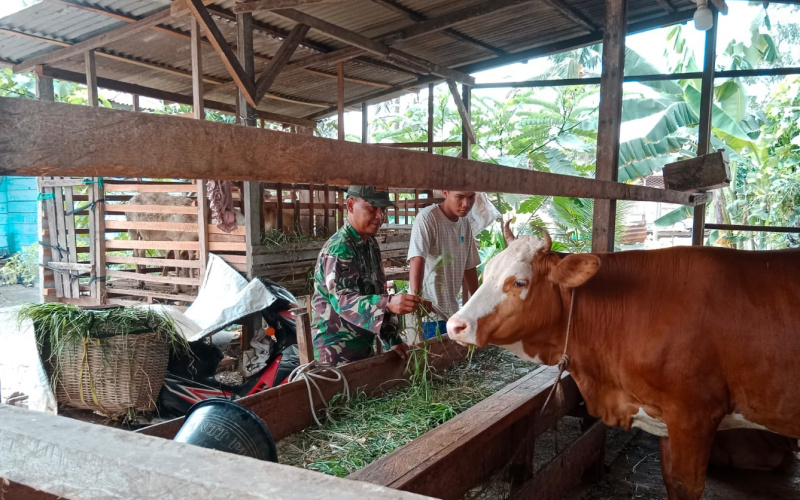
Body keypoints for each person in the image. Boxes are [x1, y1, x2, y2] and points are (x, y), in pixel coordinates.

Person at [312, 186, 418, 366]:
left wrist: (392, 339)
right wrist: (388, 303)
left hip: (364, 349)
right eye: (372, 208)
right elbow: (343, 301)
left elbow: (377, 291)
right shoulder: (339, 248)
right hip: (335, 356)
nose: (380, 216)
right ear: (351, 205)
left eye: (383, 209)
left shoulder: (370, 244)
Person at [407, 191, 480, 338]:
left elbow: (469, 266)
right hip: (430, 313)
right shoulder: (428, 218)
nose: (466, 203)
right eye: (459, 197)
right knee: (434, 358)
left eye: (471, 197)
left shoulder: (464, 222)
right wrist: (418, 300)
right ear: (445, 193)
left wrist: (478, 304)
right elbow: (417, 258)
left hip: (452, 311)